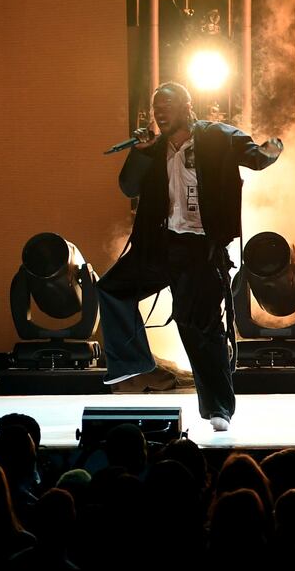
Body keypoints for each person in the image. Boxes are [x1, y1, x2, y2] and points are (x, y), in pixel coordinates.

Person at [98, 82, 283, 431]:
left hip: (199, 250)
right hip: (159, 246)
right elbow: (128, 187)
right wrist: (139, 151)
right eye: (155, 108)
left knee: (199, 328)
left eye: (166, 105)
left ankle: (219, 408)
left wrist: (271, 150)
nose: (159, 113)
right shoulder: (153, 149)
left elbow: (255, 157)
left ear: (186, 106)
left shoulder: (215, 136)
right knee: (111, 289)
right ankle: (133, 364)